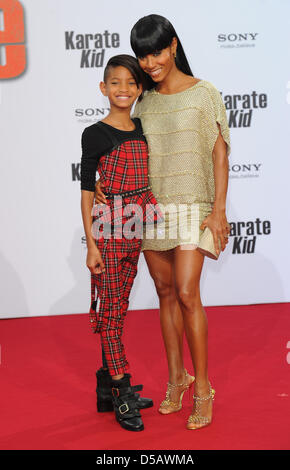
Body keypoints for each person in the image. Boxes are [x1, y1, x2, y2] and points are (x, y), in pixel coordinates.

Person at [95, 14, 231, 430]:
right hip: (151, 209)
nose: (149, 62)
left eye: (155, 52)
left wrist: (219, 210)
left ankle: (203, 388)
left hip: (193, 206)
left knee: (188, 291)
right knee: (165, 291)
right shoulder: (144, 99)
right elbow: (123, 141)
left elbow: (220, 153)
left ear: (173, 45)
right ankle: (177, 380)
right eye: (142, 55)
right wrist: (102, 179)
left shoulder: (205, 93)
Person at [80, 54, 162, 432]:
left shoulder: (144, 127)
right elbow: (85, 193)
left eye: (131, 83)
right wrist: (91, 246)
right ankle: (121, 388)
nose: (123, 89)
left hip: (138, 226)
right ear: (103, 88)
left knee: (119, 306)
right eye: (115, 83)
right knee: (111, 315)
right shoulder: (94, 133)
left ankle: (104, 385)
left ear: (140, 88)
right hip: (110, 229)